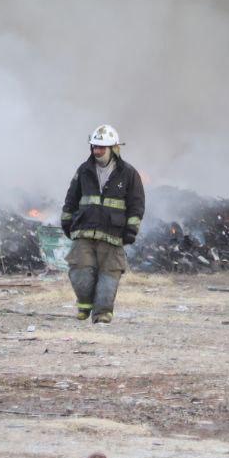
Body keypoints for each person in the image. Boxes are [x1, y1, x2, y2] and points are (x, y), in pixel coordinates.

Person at [61, 124, 145, 323]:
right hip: (84, 231)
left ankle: (103, 313)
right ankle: (85, 305)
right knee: (79, 270)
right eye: (94, 147)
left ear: (113, 148)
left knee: (110, 274)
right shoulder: (84, 170)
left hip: (112, 232)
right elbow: (71, 199)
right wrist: (66, 221)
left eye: (101, 147)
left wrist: (131, 229)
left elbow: (136, 203)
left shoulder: (128, 173)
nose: (96, 151)